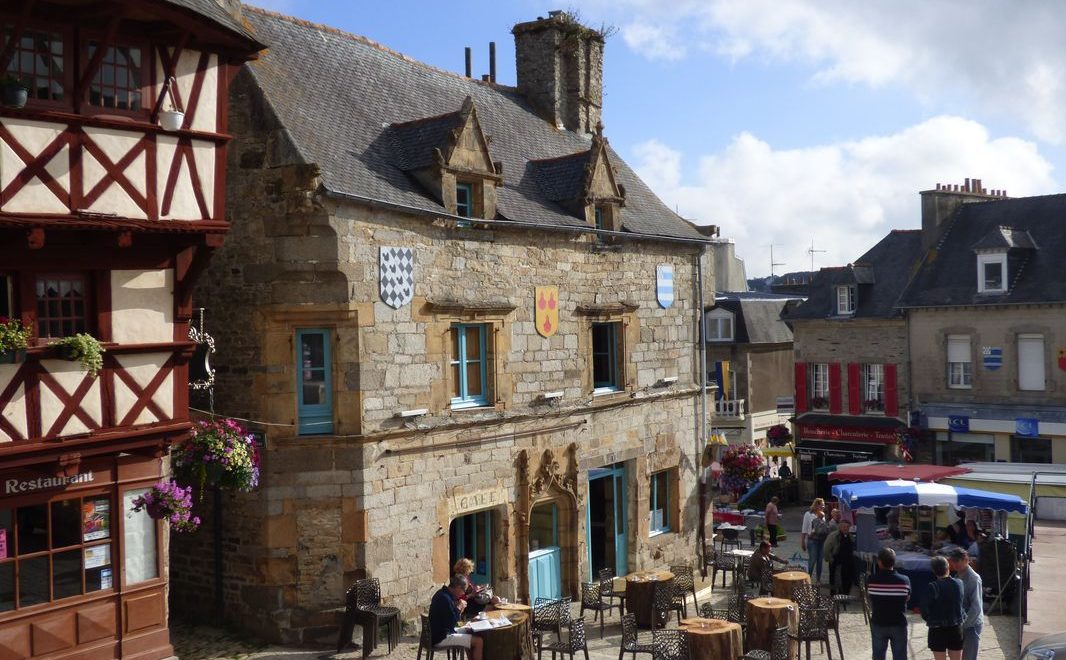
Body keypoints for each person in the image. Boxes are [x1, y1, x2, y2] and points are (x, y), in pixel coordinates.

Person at [868, 547, 911, 660]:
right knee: (900, 656)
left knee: (878, 655)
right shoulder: (904, 581)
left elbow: (871, 597)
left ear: (879, 562)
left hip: (879, 622)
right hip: (898, 622)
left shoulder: (872, 580)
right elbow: (907, 598)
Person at [429, 575, 484, 660]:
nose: (464, 593)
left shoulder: (443, 593)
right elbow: (451, 623)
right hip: (441, 637)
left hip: (439, 633)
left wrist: (460, 610)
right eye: (464, 590)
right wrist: (459, 607)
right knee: (478, 641)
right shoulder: (444, 598)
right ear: (458, 588)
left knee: (469, 632)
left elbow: (452, 618)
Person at [921, 555, 964, 660]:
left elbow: (924, 609)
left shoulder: (933, 586)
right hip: (955, 627)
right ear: (948, 567)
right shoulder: (959, 583)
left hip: (938, 629)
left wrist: (931, 618)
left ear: (934, 570)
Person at [948, 548, 984, 660]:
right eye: (953, 561)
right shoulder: (957, 576)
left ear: (966, 559)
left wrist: (963, 625)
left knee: (969, 657)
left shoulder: (973, 578)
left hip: (971, 624)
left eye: (957, 561)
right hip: (959, 623)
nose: (955, 564)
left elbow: (976, 607)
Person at [824, 518, 855, 595]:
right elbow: (826, 548)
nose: (845, 528)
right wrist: (830, 559)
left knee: (847, 579)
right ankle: (833, 596)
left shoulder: (850, 536)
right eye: (844, 526)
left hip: (847, 562)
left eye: (847, 527)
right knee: (834, 579)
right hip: (835, 561)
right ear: (840, 527)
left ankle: (844, 595)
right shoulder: (833, 536)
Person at [801, 498, 829, 582]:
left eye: (824, 505)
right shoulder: (808, 514)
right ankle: (807, 579)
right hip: (812, 540)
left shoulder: (823, 515)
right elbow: (804, 529)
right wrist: (802, 541)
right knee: (812, 560)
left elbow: (824, 528)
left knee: (820, 561)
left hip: (822, 540)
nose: (823, 506)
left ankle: (818, 580)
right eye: (822, 504)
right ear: (816, 505)